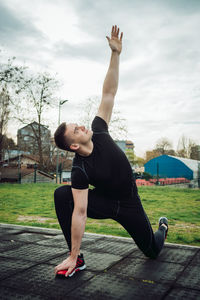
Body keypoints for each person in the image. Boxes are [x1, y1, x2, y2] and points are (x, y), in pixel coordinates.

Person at [54, 25, 168, 278]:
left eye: (77, 124)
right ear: (74, 145)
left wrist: (115, 54)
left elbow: (108, 93)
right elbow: (80, 212)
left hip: (129, 202)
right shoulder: (79, 170)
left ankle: (162, 228)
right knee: (62, 196)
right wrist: (73, 254)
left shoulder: (99, 129)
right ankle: (77, 259)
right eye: (76, 129)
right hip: (104, 203)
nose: (82, 125)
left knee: (152, 250)